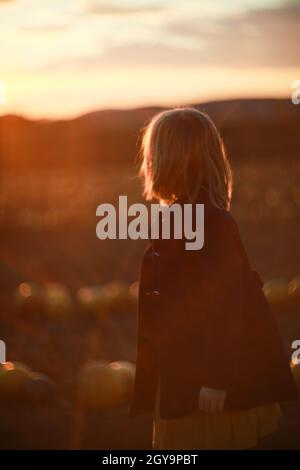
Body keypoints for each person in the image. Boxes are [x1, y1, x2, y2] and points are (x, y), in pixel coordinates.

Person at [128, 107, 298, 449]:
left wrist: (217, 378)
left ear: (165, 161)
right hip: (179, 377)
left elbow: (232, 304)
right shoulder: (176, 220)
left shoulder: (212, 224)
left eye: (153, 156)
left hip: (205, 386)